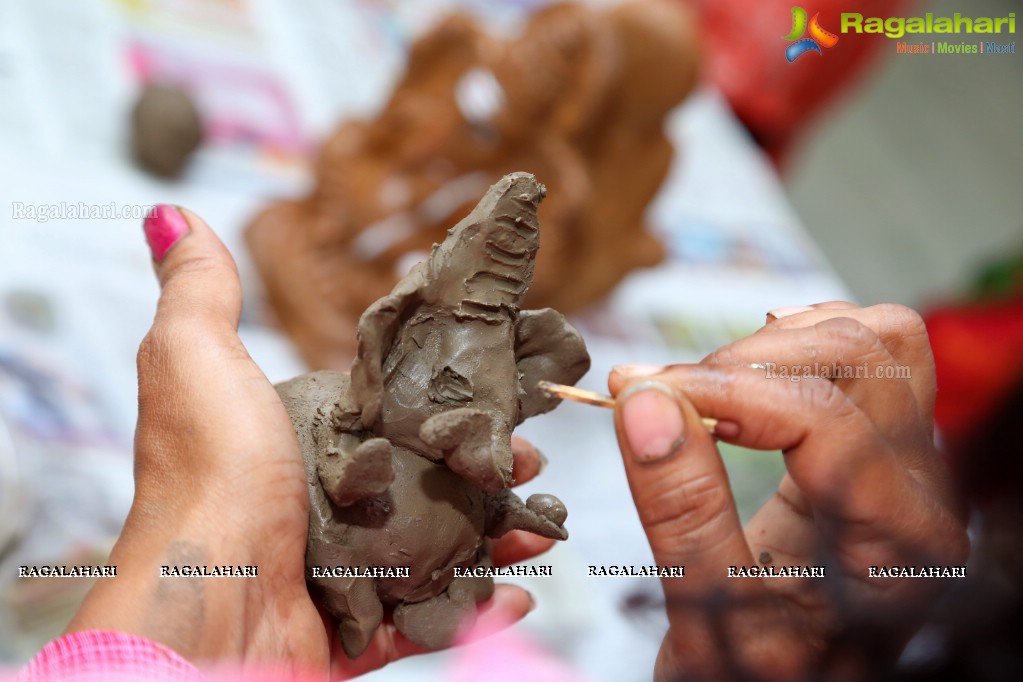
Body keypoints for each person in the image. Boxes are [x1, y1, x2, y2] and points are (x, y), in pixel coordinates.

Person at [15, 206, 967, 681]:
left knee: (494, 524)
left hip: (439, 575)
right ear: (383, 355)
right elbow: (337, 488)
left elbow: (489, 489)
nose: (484, 412)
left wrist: (499, 510)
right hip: (351, 571)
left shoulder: (491, 437)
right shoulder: (343, 423)